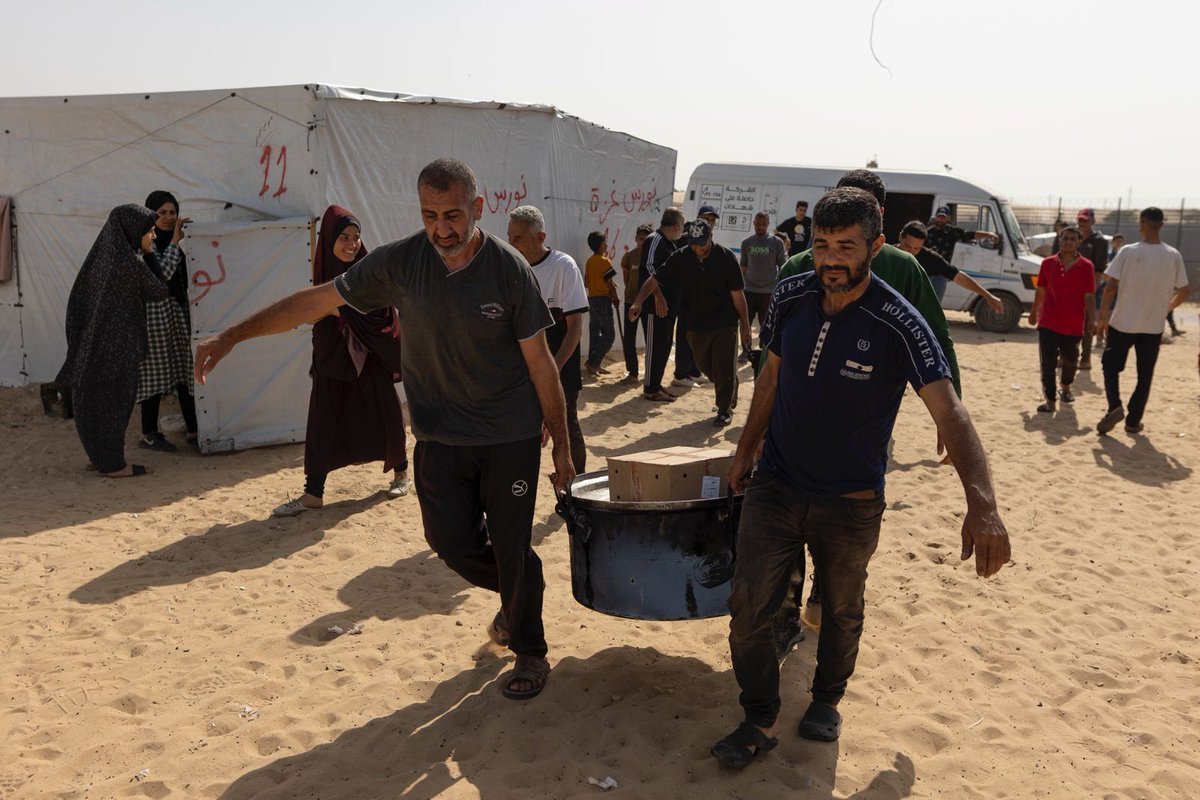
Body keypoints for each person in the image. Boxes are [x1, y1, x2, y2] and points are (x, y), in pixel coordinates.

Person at [195, 158, 574, 701]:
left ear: (478, 208)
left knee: (512, 543)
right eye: (430, 215)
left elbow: (540, 361)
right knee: (448, 541)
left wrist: (562, 445)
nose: (442, 228)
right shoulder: (400, 263)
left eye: (453, 215)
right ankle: (521, 587)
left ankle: (529, 648)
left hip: (508, 432)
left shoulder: (509, 269)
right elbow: (316, 301)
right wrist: (232, 335)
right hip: (440, 434)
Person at [710, 188, 1010, 769]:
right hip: (777, 482)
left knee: (842, 608)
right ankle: (760, 713)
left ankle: (826, 700)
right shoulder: (791, 295)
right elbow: (770, 378)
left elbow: (952, 412)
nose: (831, 259)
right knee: (748, 602)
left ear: (876, 246)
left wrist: (984, 504)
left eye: (846, 246)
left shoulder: (901, 320)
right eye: (822, 244)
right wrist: (744, 451)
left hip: (850, 500)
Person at [768, 170, 964, 654]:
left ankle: (790, 609)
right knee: (844, 516)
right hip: (863, 427)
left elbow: (769, 349)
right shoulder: (902, 265)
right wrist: (948, 412)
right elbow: (940, 337)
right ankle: (816, 599)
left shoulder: (800, 260)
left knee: (788, 514)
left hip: (792, 418)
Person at [272, 205, 410, 517]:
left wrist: (337, 308)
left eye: (356, 237)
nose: (352, 244)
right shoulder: (323, 274)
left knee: (387, 415)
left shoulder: (368, 272)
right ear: (329, 240)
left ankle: (401, 473)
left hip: (370, 358)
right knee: (322, 423)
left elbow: (383, 313)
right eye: (344, 237)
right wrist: (335, 307)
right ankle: (313, 494)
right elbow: (308, 311)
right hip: (333, 358)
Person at [57, 204, 167, 478]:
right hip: (117, 351)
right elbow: (159, 291)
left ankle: (101, 457)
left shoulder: (102, 257)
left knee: (96, 403)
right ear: (133, 230)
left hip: (92, 347)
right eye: (150, 231)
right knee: (115, 404)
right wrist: (151, 256)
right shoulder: (129, 264)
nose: (152, 237)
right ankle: (113, 465)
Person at [630, 219, 752, 427]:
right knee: (705, 365)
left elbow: (738, 295)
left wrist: (746, 325)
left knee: (723, 364)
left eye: (702, 244)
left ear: (710, 238)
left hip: (725, 321)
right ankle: (729, 383)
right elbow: (655, 278)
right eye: (694, 244)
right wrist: (638, 301)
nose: (698, 248)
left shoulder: (726, 258)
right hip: (695, 322)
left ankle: (724, 410)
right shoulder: (681, 257)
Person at [508, 205, 589, 473]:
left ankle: (576, 490)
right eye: (510, 237)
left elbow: (575, 327)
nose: (512, 244)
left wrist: (552, 370)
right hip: (520, 372)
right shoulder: (510, 268)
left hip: (560, 368)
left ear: (540, 238)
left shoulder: (563, 266)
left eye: (518, 238)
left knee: (566, 427)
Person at [1096, 207, 1190, 435]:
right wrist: (1166, 308)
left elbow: (1110, 287)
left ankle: (1115, 406)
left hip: (1123, 323)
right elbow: (1184, 291)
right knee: (1144, 375)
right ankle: (1132, 422)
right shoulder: (1173, 255)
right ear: (1161, 225)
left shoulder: (1128, 251)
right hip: (1153, 326)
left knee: (1110, 366)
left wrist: (1102, 318)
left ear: (1141, 224)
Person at [136, 191, 198, 452]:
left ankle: (194, 428)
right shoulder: (143, 243)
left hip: (177, 313)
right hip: (154, 316)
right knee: (153, 374)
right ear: (151, 214)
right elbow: (163, 274)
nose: (169, 217)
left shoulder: (180, 243)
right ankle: (148, 433)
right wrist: (175, 241)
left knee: (186, 372)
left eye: (172, 212)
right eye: (162, 213)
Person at [1027, 227, 1095, 413]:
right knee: (1047, 363)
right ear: (1060, 239)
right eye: (1066, 238)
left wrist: (1092, 320)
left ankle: (1065, 387)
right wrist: (1034, 312)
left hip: (1073, 324)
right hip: (1048, 321)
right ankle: (1050, 399)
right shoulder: (1048, 263)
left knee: (1070, 360)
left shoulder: (1086, 266)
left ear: (1079, 242)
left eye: (1073, 239)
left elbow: (1089, 296)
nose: (1069, 242)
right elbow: (1041, 290)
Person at [896, 221, 1004, 311]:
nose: (910, 252)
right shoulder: (884, 253)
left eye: (916, 248)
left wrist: (987, 296)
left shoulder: (930, 258)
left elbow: (958, 276)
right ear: (901, 237)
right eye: (907, 246)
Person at [638, 208, 687, 402]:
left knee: (665, 346)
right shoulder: (654, 239)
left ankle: (657, 385)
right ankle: (650, 387)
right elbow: (649, 269)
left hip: (669, 308)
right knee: (655, 346)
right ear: (676, 224)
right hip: (654, 306)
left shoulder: (670, 244)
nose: (682, 229)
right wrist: (658, 296)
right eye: (682, 225)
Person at [740, 211, 788, 339]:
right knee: (745, 323)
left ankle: (764, 351)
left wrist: (780, 288)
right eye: (758, 224)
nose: (760, 227)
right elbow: (743, 267)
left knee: (767, 324)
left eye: (764, 224)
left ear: (768, 225)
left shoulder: (776, 242)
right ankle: (745, 350)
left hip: (768, 291)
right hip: (749, 290)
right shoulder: (746, 243)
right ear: (754, 223)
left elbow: (783, 266)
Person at [619, 223, 653, 385]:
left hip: (649, 304)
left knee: (650, 339)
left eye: (646, 239)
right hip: (631, 302)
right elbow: (626, 279)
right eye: (640, 239)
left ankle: (651, 373)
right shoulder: (629, 257)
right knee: (629, 338)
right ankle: (632, 372)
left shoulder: (653, 258)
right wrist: (632, 296)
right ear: (635, 239)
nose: (643, 242)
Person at [1075, 209, 1109, 369]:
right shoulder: (1074, 238)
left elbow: (1099, 269)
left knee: (1087, 323)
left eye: (1085, 221)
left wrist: (1091, 290)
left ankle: (1085, 358)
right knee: (1069, 322)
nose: (1082, 224)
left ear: (1093, 222)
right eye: (1080, 221)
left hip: (1088, 289)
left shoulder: (1099, 241)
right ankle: (1067, 356)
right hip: (1070, 287)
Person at [582, 230, 619, 377]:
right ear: (601, 245)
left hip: (592, 299)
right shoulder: (604, 261)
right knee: (609, 335)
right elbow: (609, 282)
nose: (607, 245)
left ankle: (594, 364)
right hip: (603, 300)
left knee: (595, 333)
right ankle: (593, 362)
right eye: (605, 242)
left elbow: (586, 282)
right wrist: (615, 297)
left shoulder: (590, 262)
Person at [925, 205, 1000, 263]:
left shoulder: (952, 232)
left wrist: (989, 235)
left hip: (941, 272)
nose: (940, 219)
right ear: (935, 217)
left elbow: (970, 235)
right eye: (939, 216)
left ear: (949, 218)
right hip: (926, 270)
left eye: (943, 217)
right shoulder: (927, 231)